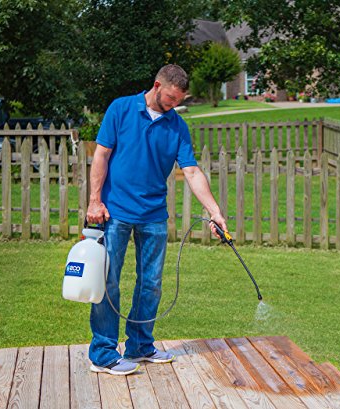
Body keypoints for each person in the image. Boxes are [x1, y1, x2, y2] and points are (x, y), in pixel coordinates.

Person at [86, 64, 227, 376]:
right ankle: (103, 353)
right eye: (170, 98)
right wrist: (95, 200)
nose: (173, 105)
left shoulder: (177, 126)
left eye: (178, 101)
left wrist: (214, 211)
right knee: (108, 282)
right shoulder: (121, 109)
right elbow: (101, 155)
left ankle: (139, 346)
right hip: (116, 212)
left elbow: (191, 171)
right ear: (157, 85)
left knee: (150, 284)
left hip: (154, 216)